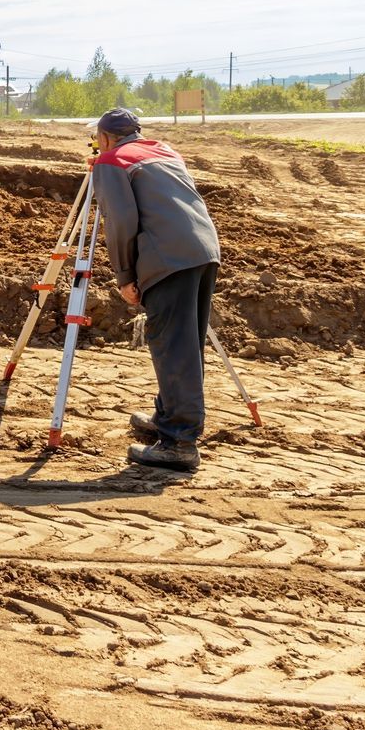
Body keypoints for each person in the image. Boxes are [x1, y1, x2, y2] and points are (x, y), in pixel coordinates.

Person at [88, 107, 222, 473]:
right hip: (202, 250)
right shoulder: (165, 151)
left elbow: (120, 223)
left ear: (103, 138)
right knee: (186, 342)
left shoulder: (112, 160)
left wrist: (125, 275)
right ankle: (168, 417)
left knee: (172, 345)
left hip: (167, 257)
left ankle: (180, 441)